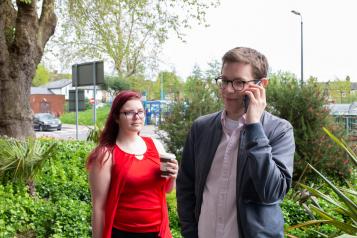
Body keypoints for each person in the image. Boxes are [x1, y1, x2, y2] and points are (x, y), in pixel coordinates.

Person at [176, 47, 295, 238]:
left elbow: (272, 192)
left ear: (261, 84)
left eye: (239, 82)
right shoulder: (201, 128)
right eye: (224, 81)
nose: (228, 89)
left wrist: (254, 127)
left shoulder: (279, 130)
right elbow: (185, 186)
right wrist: (190, 232)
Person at [87, 90, 178, 238]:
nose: (137, 117)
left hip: (159, 232)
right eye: (129, 112)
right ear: (116, 117)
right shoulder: (106, 154)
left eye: (140, 111)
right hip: (123, 233)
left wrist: (173, 177)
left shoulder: (156, 145)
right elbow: (99, 207)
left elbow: (166, 189)